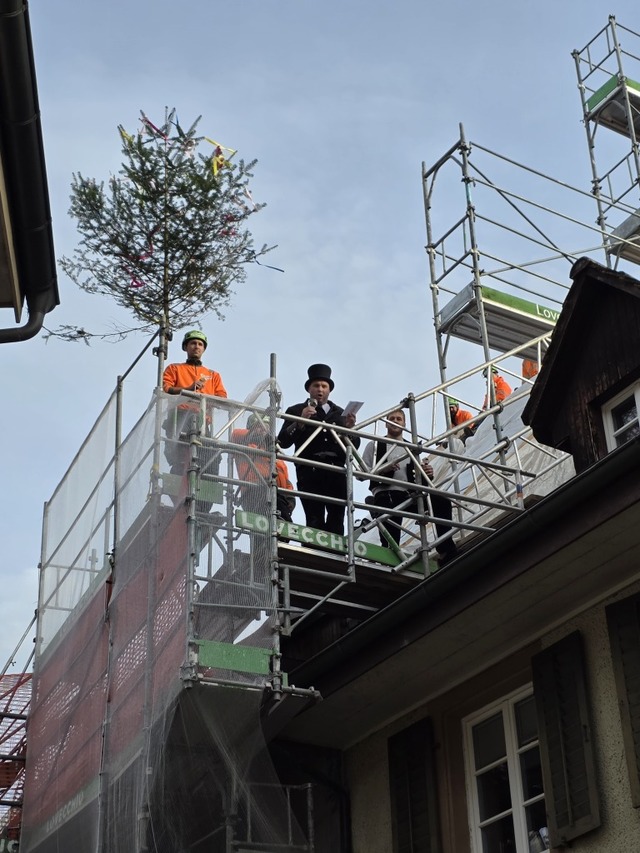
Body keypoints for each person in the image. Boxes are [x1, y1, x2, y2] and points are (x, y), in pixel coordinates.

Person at [362, 409, 458, 563]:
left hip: (409, 495)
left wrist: (427, 473)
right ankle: (389, 562)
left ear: (404, 423)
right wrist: (383, 469)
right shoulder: (374, 444)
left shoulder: (411, 447)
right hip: (386, 495)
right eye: (392, 418)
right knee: (390, 541)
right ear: (386, 423)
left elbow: (417, 477)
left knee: (441, 502)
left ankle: (446, 550)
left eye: (399, 419)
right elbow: (362, 473)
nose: (395, 421)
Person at [277, 363, 359, 535]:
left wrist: (350, 430)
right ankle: (316, 555)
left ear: (329, 390)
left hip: (336, 471)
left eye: (324, 386)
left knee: (337, 520)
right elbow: (283, 442)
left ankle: (336, 558)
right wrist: (300, 421)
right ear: (309, 389)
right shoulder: (296, 410)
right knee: (314, 519)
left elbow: (355, 446)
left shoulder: (340, 413)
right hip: (309, 471)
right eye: (316, 386)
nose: (320, 390)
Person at [162, 329, 228, 509]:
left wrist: (209, 400)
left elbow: (222, 397)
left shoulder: (212, 375)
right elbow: (166, 388)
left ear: (204, 349)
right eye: (193, 343)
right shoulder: (175, 368)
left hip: (203, 421)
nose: (196, 347)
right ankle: (181, 500)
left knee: (210, 458)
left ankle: (203, 504)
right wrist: (188, 389)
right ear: (186, 347)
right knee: (182, 459)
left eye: (200, 344)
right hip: (180, 417)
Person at [232, 414, 295, 523]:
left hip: (277, 494)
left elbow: (285, 479)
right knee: (263, 528)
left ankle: (280, 532)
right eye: (259, 426)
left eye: (266, 426)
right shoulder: (244, 446)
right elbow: (235, 434)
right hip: (254, 491)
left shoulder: (275, 454)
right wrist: (260, 438)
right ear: (250, 428)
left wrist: (290, 496)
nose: (263, 429)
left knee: (283, 523)